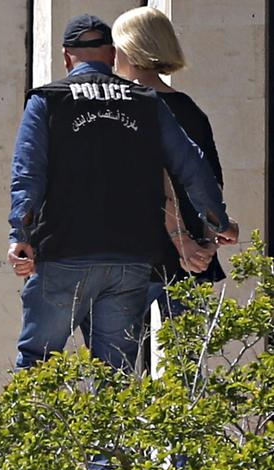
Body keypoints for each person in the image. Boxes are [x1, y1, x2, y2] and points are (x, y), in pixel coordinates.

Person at [8, 14, 239, 372]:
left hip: (63, 253)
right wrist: (218, 221)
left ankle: (33, 431)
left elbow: (28, 175)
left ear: (66, 56)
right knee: (115, 375)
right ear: (113, 54)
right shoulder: (144, 101)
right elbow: (191, 165)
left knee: (38, 362)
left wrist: (20, 236)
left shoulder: (48, 101)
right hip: (129, 258)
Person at [112, 6, 225, 315]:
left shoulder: (124, 108)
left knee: (113, 358)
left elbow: (142, 183)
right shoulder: (190, 109)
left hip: (138, 254)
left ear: (132, 47)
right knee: (188, 358)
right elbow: (211, 183)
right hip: (193, 257)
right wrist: (209, 243)